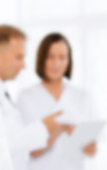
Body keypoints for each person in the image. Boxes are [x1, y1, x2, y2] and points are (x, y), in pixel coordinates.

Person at [0, 25, 64, 170]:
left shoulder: (2, 93)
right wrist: (43, 127)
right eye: (18, 57)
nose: (23, 65)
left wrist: (46, 136)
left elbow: (15, 144)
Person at [18, 33, 96, 170]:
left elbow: (91, 150)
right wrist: (60, 128)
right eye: (50, 57)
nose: (56, 63)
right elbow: (31, 150)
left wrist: (81, 139)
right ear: (42, 59)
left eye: (62, 57)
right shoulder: (26, 97)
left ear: (68, 61)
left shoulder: (82, 97)